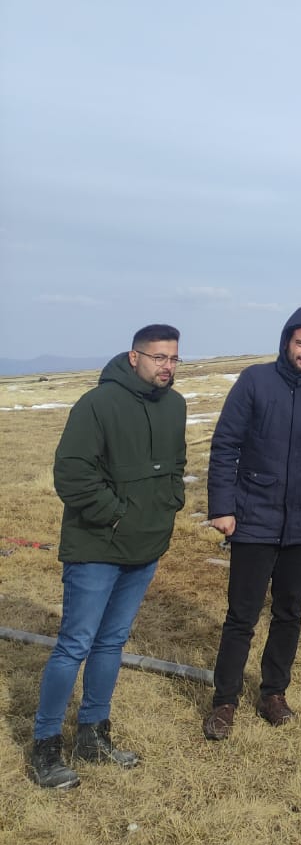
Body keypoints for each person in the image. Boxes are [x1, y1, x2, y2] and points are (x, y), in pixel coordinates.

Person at [30, 324, 187, 789]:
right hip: (97, 546)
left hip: (146, 546)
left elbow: (177, 466)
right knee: (74, 644)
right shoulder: (97, 404)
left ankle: (94, 735)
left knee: (111, 642)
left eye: (174, 358)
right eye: (158, 357)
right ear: (134, 357)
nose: (167, 366)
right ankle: (45, 746)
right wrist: (117, 516)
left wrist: (166, 506)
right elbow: (72, 475)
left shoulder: (175, 406)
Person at [202, 306, 301, 739]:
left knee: (289, 611)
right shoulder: (255, 381)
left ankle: (274, 694)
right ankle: (225, 701)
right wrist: (222, 507)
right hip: (253, 515)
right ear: (287, 341)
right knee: (241, 615)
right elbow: (225, 445)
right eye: (300, 343)